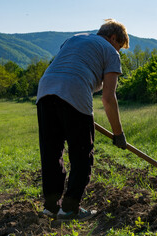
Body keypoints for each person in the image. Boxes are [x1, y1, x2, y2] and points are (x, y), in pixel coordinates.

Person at [36, 19, 129, 221]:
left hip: (45, 91)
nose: (119, 52)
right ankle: (69, 209)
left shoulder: (74, 38)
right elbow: (108, 97)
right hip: (75, 91)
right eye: (120, 47)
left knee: (51, 153)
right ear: (114, 38)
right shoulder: (110, 51)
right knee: (81, 156)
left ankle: (51, 207)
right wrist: (118, 133)